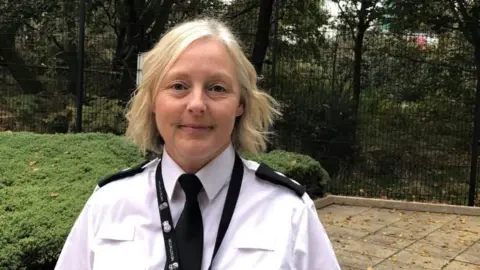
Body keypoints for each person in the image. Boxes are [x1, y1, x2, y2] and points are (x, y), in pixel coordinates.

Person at [54, 17, 340, 270]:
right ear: (153, 101)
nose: (197, 104)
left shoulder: (288, 212)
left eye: (217, 88)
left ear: (240, 104)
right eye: (178, 86)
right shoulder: (109, 203)